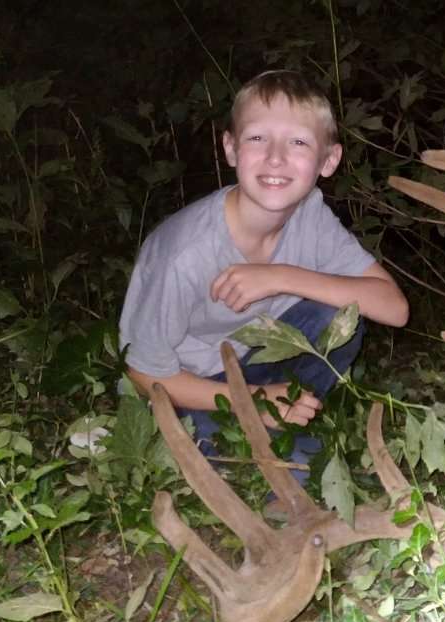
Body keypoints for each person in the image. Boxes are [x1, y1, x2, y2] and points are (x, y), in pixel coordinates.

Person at [119, 69, 408, 487]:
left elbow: (394, 309)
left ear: (328, 161)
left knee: (339, 315)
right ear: (231, 148)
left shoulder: (310, 213)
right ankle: (273, 424)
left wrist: (279, 277)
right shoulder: (185, 252)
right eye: (257, 138)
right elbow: (145, 375)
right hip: (187, 386)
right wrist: (252, 401)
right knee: (293, 470)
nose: (275, 157)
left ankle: (287, 414)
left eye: (298, 142)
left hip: (258, 363)